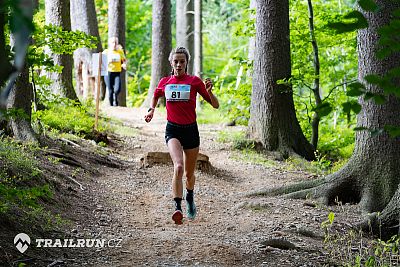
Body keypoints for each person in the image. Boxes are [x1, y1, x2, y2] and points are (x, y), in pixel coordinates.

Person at [144, 47, 219, 225]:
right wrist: (152, 110)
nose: (178, 64)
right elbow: (155, 95)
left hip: (191, 131)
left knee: (188, 174)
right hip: (173, 130)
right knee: (178, 167)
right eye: (176, 61)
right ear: (171, 62)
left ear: (186, 63)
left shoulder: (194, 82)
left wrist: (209, 91)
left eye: (182, 61)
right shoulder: (165, 82)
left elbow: (215, 105)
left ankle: (190, 198)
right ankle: (177, 207)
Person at [104, 36, 126, 106]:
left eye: (116, 42)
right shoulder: (106, 52)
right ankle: (111, 106)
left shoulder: (120, 52)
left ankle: (116, 100)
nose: (114, 44)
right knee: (110, 90)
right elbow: (101, 63)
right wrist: (108, 61)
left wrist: (124, 64)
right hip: (108, 73)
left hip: (117, 72)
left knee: (117, 89)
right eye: (113, 42)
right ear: (110, 43)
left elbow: (124, 61)